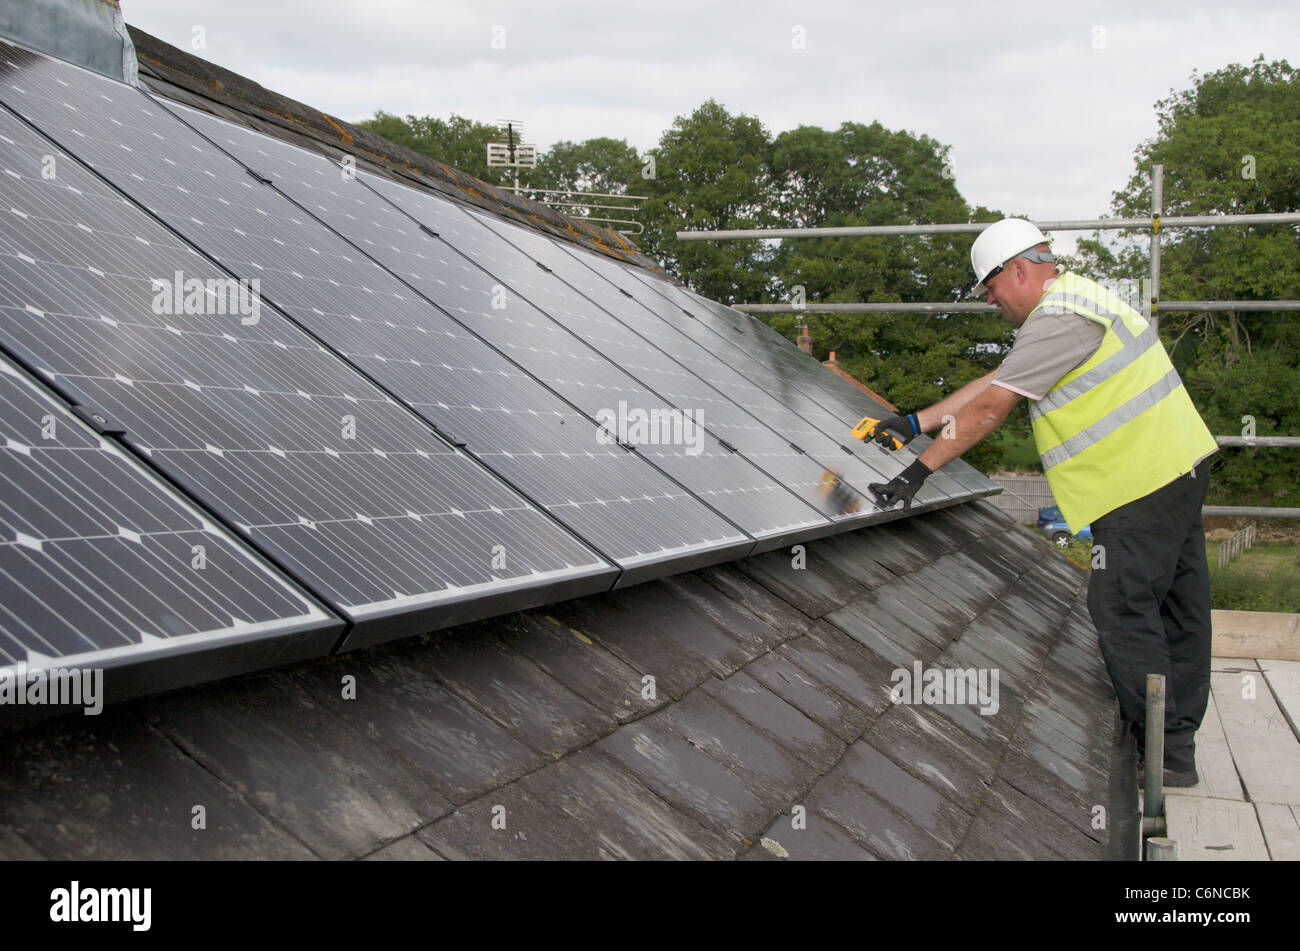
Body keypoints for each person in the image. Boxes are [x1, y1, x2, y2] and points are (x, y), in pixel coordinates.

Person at [867, 218, 1219, 787]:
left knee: (1123, 608)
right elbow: (999, 378)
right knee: (1179, 605)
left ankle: (1163, 754)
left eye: (990, 286)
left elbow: (991, 408)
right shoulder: (1076, 303)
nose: (990, 300)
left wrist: (917, 473)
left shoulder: (1059, 319)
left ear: (1019, 270)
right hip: (1175, 465)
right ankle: (1177, 741)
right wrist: (916, 421)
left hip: (1136, 483)